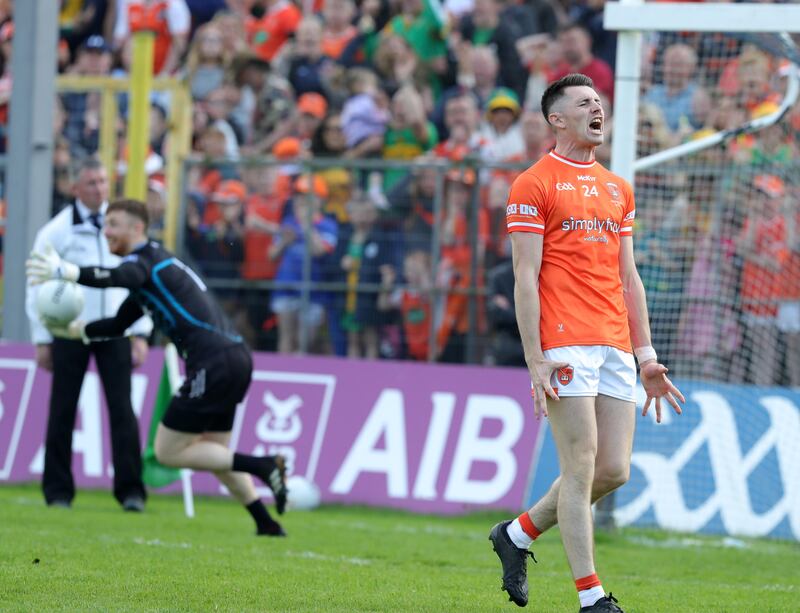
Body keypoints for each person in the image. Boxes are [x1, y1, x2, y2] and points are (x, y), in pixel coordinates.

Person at [489, 74, 685, 612]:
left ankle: (517, 535)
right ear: (557, 119)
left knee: (612, 471)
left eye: (599, 102)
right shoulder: (533, 183)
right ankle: (592, 597)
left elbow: (629, 278)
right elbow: (524, 278)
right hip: (564, 342)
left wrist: (645, 354)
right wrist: (536, 360)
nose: (597, 108)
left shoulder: (618, 187)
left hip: (615, 343)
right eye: (584, 103)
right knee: (579, 467)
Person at [26, 198, 289, 537]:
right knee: (214, 454)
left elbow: (119, 276)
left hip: (213, 363)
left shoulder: (144, 262)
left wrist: (69, 272)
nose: (107, 233)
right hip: (235, 358)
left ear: (137, 228)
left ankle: (263, 465)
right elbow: (120, 323)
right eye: (106, 225)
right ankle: (265, 522)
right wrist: (75, 331)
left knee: (168, 451)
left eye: (114, 225)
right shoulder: (152, 271)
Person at [24, 158, 152, 511]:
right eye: (91, 182)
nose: (99, 188)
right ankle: (58, 492)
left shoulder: (121, 227)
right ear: (75, 188)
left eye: (102, 181)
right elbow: (36, 283)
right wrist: (41, 336)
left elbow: (140, 278)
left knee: (122, 411)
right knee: (62, 409)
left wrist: (140, 332)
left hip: (115, 330)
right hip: (69, 332)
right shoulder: (57, 230)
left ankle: (130, 492)